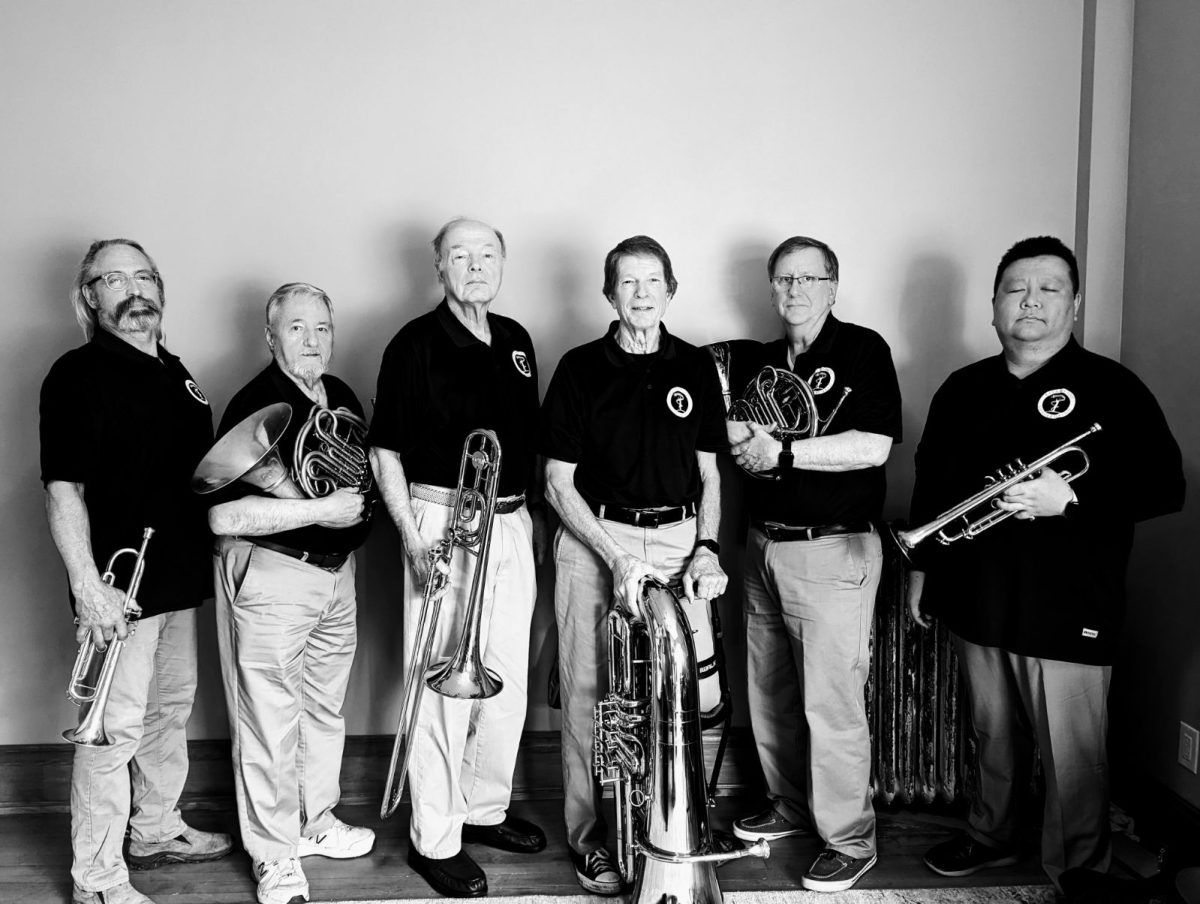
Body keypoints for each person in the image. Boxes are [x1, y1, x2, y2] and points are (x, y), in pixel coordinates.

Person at [908, 236, 1184, 888]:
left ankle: (1080, 870)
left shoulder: (1112, 387)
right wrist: (922, 571)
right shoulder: (962, 388)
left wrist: (1073, 496)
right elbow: (932, 486)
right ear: (994, 307)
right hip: (978, 596)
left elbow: (1167, 485)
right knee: (991, 737)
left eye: (1048, 288)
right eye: (1015, 289)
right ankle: (990, 835)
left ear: (1075, 303)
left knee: (1074, 755)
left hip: (1070, 603)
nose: (1029, 301)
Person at [40, 239, 233, 904]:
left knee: (168, 711)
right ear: (89, 296)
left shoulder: (176, 372)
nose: (133, 289)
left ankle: (154, 829)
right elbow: (63, 490)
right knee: (112, 728)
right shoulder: (78, 373)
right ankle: (96, 878)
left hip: (178, 577)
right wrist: (88, 587)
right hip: (121, 589)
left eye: (143, 275)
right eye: (113, 278)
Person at [541, 235, 729, 895]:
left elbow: (710, 473)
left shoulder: (697, 368)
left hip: (679, 538)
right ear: (609, 294)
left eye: (654, 282)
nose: (642, 293)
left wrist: (706, 546)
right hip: (596, 538)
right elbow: (557, 484)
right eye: (629, 282)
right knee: (594, 697)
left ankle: (680, 826)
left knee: (690, 695)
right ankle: (592, 838)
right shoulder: (579, 368)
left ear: (671, 291)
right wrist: (615, 555)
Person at [369, 217, 545, 899]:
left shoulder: (518, 341)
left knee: (504, 681)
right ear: (438, 267)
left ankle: (482, 809)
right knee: (442, 684)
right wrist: (414, 540)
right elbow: (386, 450)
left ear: (503, 262)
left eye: (487, 254)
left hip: (510, 518)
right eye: (460, 256)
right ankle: (435, 838)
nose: (475, 266)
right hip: (443, 518)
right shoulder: (414, 343)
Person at [723, 235, 901, 893]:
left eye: (808, 278)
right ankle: (791, 806)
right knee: (768, 693)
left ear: (832, 285)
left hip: (832, 547)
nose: (795, 291)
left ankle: (850, 842)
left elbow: (875, 447)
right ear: (772, 289)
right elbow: (739, 434)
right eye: (784, 280)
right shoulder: (762, 360)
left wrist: (785, 454)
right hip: (764, 546)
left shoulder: (863, 349)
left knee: (831, 706)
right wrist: (746, 445)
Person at [205, 282, 374, 904]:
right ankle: (274, 856)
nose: (312, 341)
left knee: (323, 709)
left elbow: (364, 478)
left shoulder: (343, 396)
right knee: (268, 719)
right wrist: (325, 507)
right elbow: (223, 518)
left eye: (322, 328)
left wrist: (350, 515)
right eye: (297, 328)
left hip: (336, 575)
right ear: (270, 336)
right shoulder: (254, 404)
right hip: (274, 574)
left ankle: (315, 821)